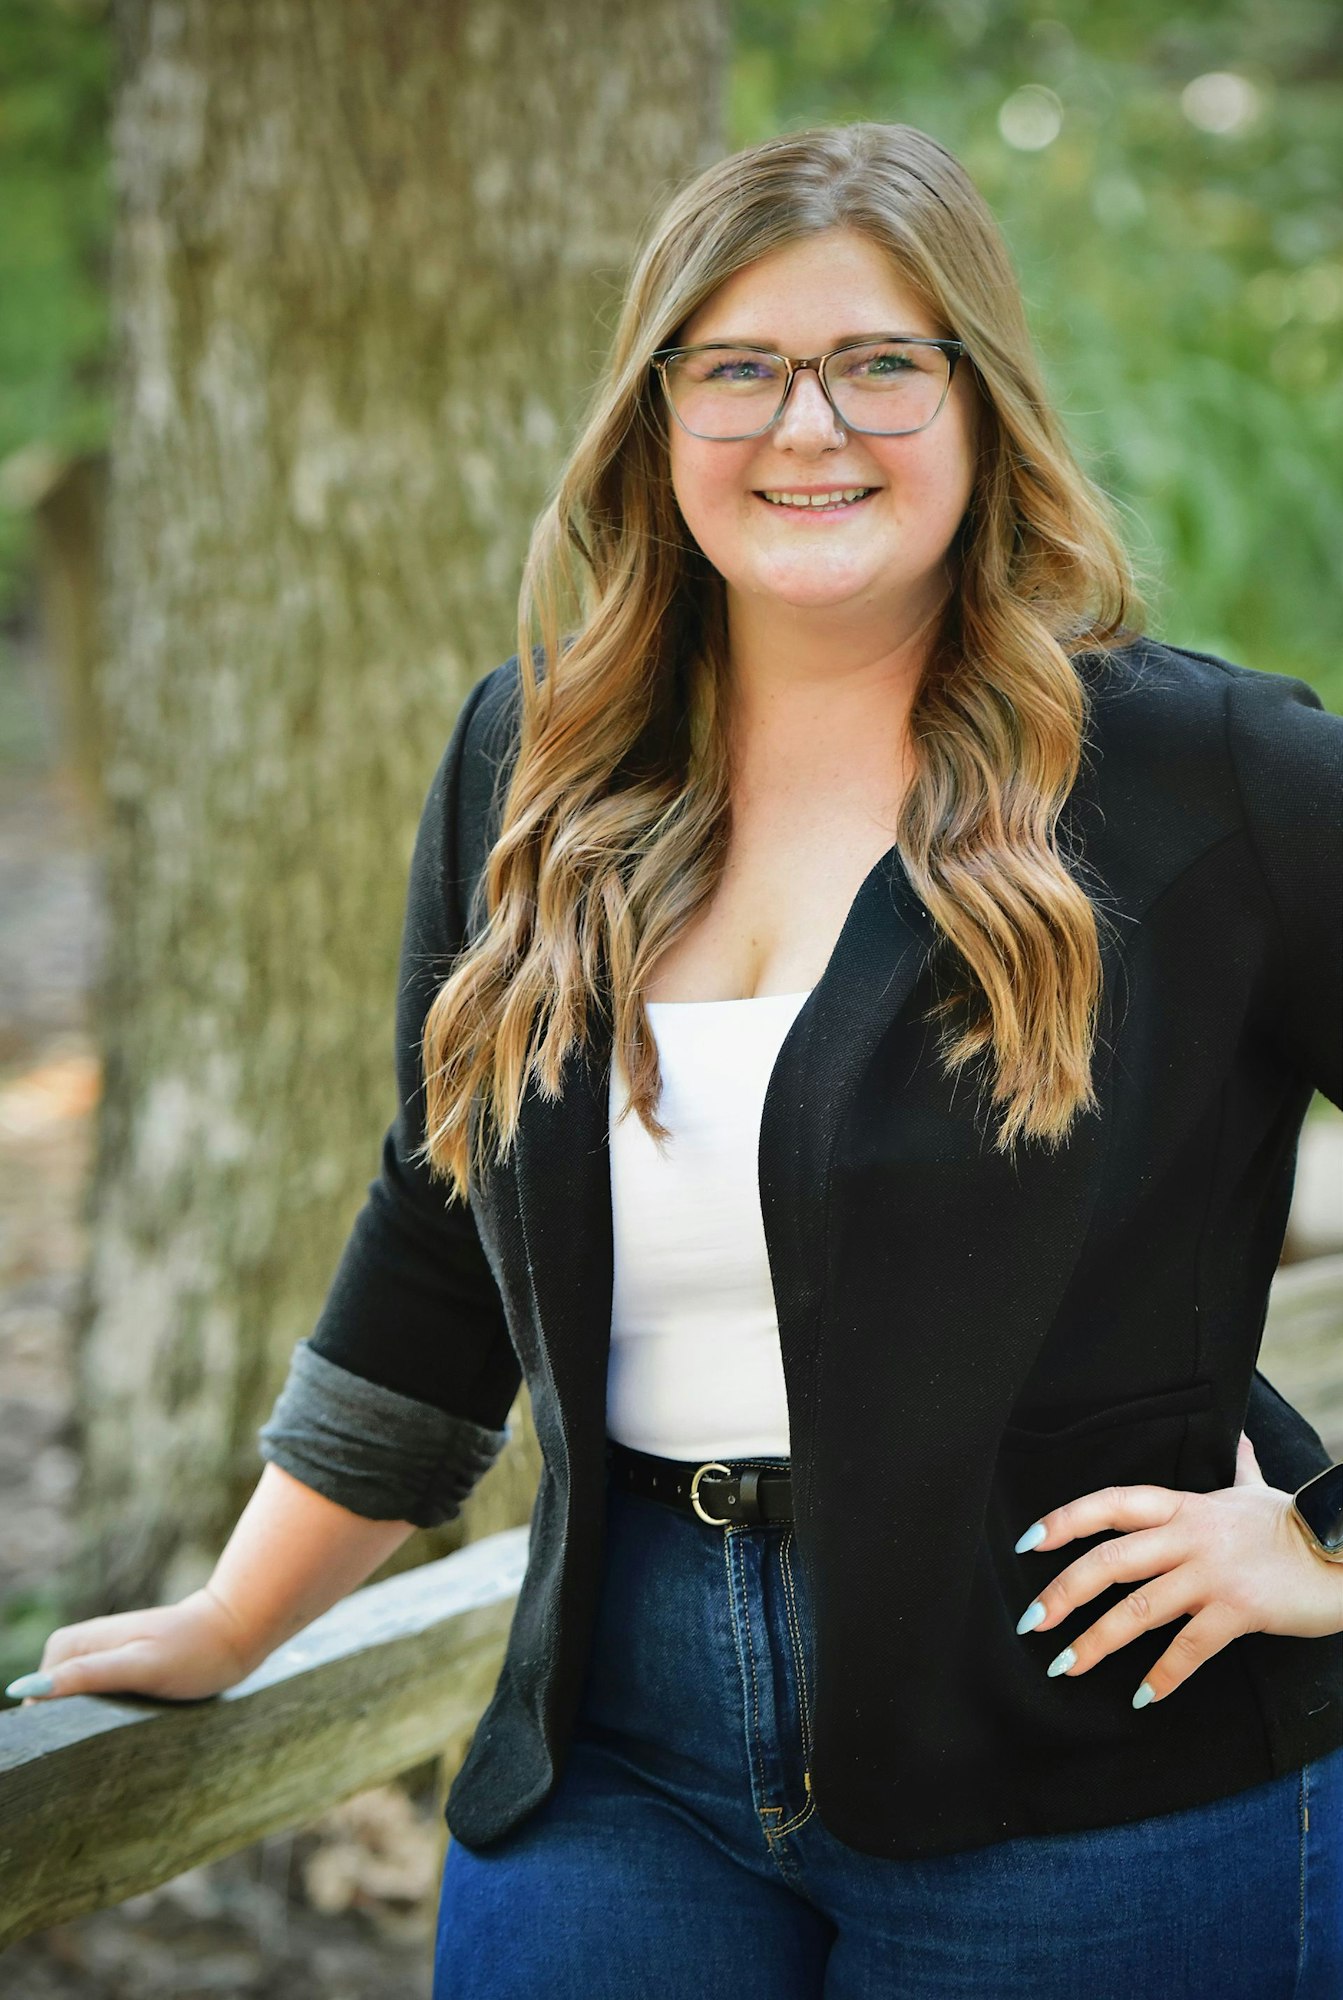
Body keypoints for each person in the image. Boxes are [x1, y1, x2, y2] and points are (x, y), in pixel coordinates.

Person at [8, 122, 1343, 1998]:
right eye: (738, 370)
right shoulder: (535, 765)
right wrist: (242, 1614)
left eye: (883, 362)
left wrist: (1321, 1544)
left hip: (1096, 1756)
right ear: (654, 420)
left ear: (982, 401)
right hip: (617, 1739)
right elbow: (436, 1224)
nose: (812, 427)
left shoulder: (1208, 776)